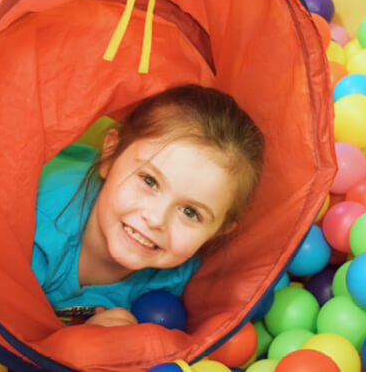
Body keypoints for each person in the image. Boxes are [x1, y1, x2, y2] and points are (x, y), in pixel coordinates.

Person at [31, 84, 265, 327]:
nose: (156, 219)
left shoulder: (173, 277)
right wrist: (77, 339)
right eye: (149, 181)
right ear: (110, 156)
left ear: (218, 230)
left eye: (190, 212)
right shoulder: (40, 229)